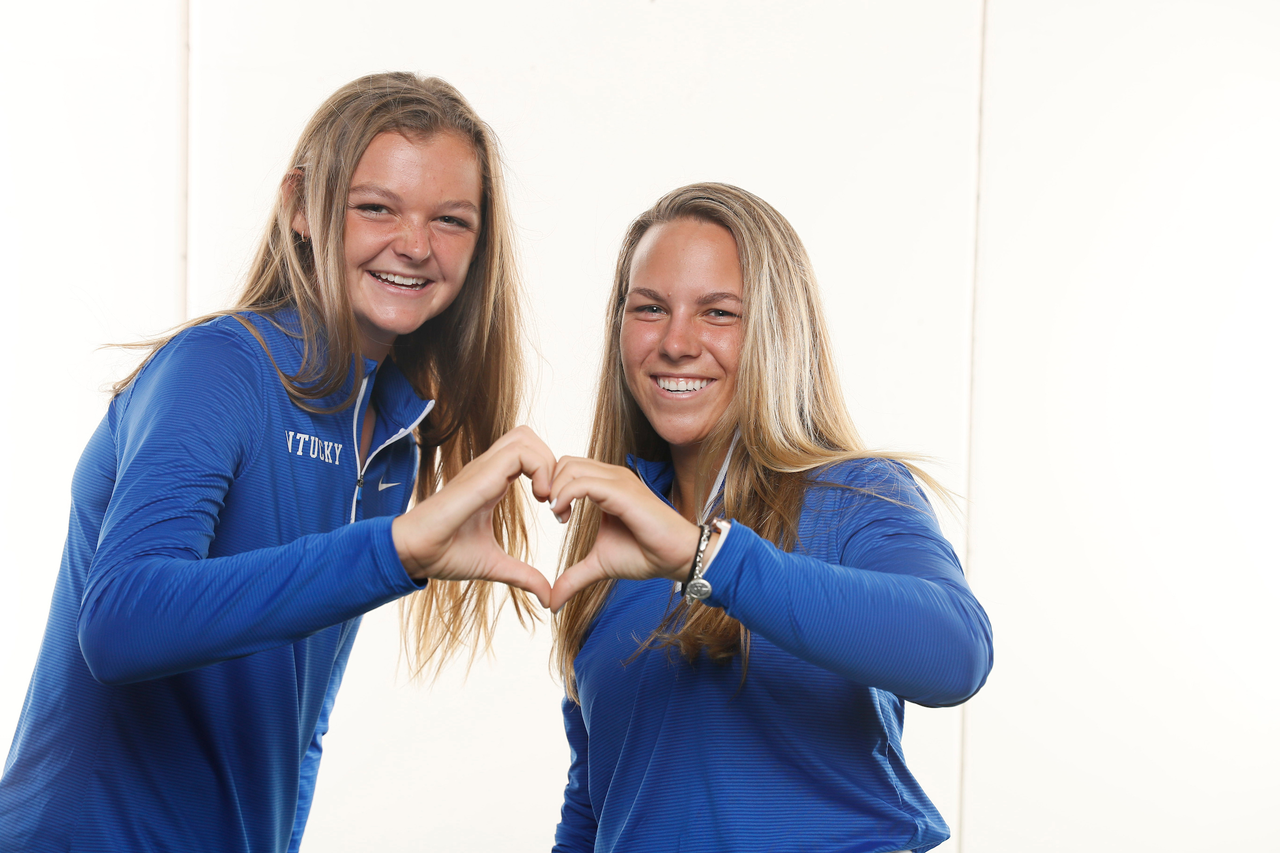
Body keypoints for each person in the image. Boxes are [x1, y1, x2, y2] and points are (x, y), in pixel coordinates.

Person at [0, 72, 556, 853]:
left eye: (451, 220)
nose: (416, 245)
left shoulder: (394, 436)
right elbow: (120, 621)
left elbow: (297, 715)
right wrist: (394, 549)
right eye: (377, 207)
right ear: (301, 206)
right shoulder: (221, 367)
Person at [546, 183, 994, 853]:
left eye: (718, 312)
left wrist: (705, 557)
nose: (676, 341)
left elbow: (956, 653)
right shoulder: (611, 536)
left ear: (776, 331)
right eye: (650, 308)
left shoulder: (858, 496)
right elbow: (596, 807)